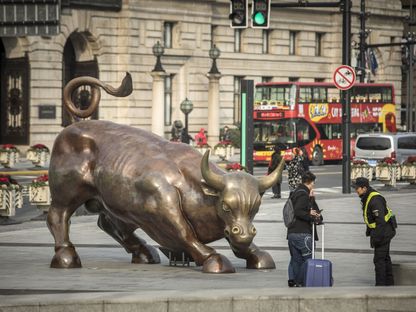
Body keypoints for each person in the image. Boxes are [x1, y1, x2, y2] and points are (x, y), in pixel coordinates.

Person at [352, 177, 396, 286]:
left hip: (383, 232)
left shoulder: (375, 200)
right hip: (384, 231)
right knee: (385, 258)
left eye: (357, 188)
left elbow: (380, 222)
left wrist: (376, 238)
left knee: (379, 260)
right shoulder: (367, 196)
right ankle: (389, 284)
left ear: (364, 188)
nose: (356, 190)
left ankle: (380, 286)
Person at [287, 171, 322, 287]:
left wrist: (311, 199)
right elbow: (298, 211)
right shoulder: (303, 194)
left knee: (296, 259)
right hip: (303, 233)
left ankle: (293, 280)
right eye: (313, 183)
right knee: (308, 260)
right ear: (310, 182)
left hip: (292, 232)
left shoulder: (295, 192)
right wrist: (310, 214)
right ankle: (300, 281)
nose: (314, 185)